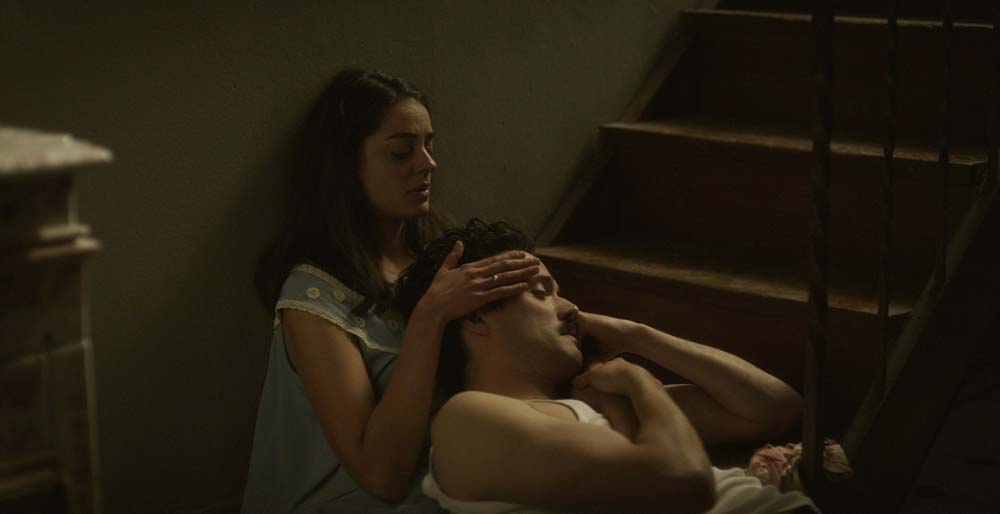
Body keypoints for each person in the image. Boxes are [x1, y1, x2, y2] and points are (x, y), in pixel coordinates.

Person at [243, 70, 541, 513]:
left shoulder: (436, 259)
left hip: (447, 481)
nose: (427, 164)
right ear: (347, 166)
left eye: (429, 146)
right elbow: (380, 476)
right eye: (402, 152)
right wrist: (431, 316)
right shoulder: (312, 298)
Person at [393, 219, 820, 514]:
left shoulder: (590, 399)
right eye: (542, 292)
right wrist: (637, 380)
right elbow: (682, 482)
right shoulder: (466, 418)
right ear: (477, 316)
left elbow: (775, 407)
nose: (570, 308)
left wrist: (637, 336)